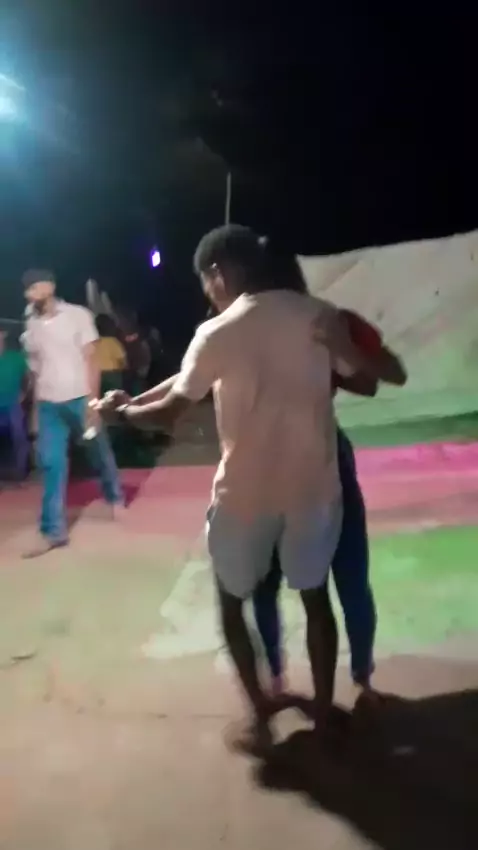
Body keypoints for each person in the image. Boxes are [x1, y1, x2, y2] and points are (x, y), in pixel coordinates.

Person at [95, 225, 386, 749]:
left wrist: (123, 416)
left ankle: (261, 712)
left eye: (206, 282)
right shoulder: (318, 315)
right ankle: (324, 715)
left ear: (218, 273)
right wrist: (136, 403)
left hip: (245, 497)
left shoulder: (218, 331)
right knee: (316, 599)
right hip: (313, 491)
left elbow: (173, 409)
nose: (208, 292)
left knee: (233, 602)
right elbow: (365, 382)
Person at [251, 272, 406, 703]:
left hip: (317, 459)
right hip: (266, 465)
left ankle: (358, 676)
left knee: (346, 577)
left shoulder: (329, 321)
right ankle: (284, 677)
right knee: (270, 582)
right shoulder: (238, 328)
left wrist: (341, 350)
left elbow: (383, 377)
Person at [20, 269, 124, 558]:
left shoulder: (78, 315)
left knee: (98, 450)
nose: (32, 292)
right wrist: (35, 412)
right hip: (48, 405)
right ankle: (53, 532)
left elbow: (92, 360)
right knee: (51, 464)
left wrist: (93, 402)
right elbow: (35, 372)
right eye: (28, 289)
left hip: (80, 398)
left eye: (36, 286)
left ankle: (115, 496)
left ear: (51, 286)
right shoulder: (31, 327)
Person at [0, 329, 30, 479]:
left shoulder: (16, 358)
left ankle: (21, 472)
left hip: (12, 404)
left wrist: (24, 393)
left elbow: (29, 377)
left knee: (19, 437)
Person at [95, 314, 128, 395]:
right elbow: (121, 360)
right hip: (112, 375)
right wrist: (124, 368)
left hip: (96, 374)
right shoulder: (113, 342)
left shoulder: (93, 342)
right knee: (114, 397)